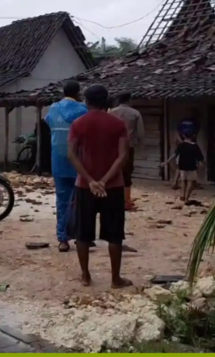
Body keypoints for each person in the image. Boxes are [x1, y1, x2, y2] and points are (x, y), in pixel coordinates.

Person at [67, 84, 131, 289]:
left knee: (82, 233)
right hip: (113, 186)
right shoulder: (118, 124)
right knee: (115, 234)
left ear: (86, 101)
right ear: (106, 100)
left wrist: (90, 180)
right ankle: (115, 279)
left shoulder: (78, 123)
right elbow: (123, 156)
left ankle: (85, 276)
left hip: (85, 186)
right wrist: (104, 180)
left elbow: (71, 155)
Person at [44, 80, 87, 252]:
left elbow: (48, 122)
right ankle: (81, 236)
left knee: (62, 201)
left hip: (58, 160)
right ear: (78, 93)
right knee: (81, 201)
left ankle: (62, 239)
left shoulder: (53, 108)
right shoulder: (83, 110)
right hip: (80, 162)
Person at [109, 93, 144, 211]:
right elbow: (140, 133)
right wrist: (140, 145)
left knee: (113, 171)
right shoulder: (135, 113)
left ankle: (113, 199)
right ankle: (126, 201)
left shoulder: (111, 112)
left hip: (113, 146)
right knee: (127, 173)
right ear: (129, 100)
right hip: (128, 146)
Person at [161, 133, 204, 204]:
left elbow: (175, 154)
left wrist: (166, 162)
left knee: (183, 181)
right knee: (190, 182)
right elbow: (200, 158)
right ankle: (186, 198)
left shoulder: (181, 145)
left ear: (184, 136)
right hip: (192, 166)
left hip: (182, 166)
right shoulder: (195, 146)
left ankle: (183, 194)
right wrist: (202, 164)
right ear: (193, 136)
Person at [173, 114, 200, 190]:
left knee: (180, 166)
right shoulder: (195, 124)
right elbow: (195, 135)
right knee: (193, 166)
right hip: (190, 147)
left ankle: (175, 182)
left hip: (182, 145)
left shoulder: (182, 122)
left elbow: (176, 133)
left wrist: (182, 142)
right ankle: (193, 183)